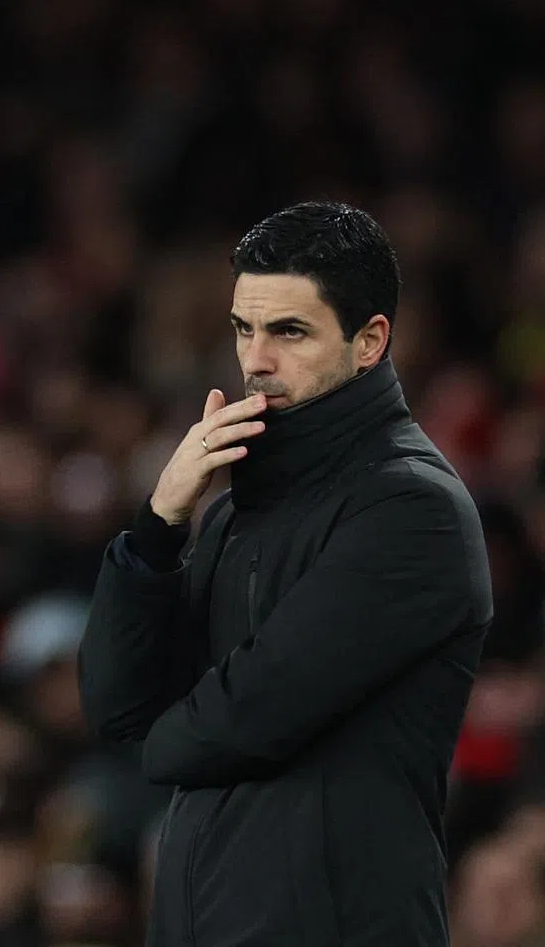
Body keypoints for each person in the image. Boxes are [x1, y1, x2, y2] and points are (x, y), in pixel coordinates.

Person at [78, 202, 494, 947]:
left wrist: (156, 748)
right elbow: (117, 705)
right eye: (245, 329)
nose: (256, 360)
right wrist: (158, 528)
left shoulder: (412, 510)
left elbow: (244, 717)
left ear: (369, 341)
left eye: (290, 331)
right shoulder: (234, 512)